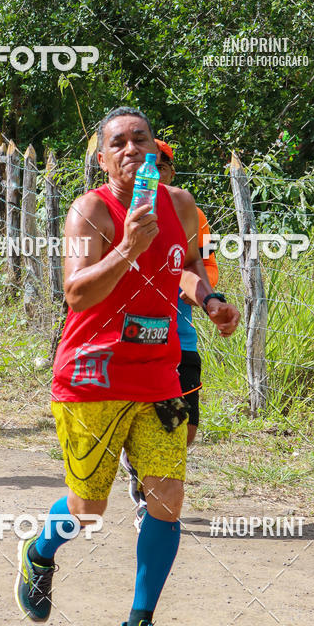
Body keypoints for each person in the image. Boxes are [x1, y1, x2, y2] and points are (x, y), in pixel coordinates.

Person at [14, 106, 240, 626]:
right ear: (102, 158)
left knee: (167, 498)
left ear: (155, 148)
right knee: (89, 508)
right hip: (93, 376)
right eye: (118, 142)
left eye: (141, 138)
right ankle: (40, 551)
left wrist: (209, 299)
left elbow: (186, 265)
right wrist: (127, 248)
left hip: (159, 373)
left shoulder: (180, 204)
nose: (132, 148)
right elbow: (77, 294)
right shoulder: (90, 210)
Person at [121, 138, 220, 527]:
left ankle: (143, 475)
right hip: (135, 339)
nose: (153, 174)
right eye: (146, 167)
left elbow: (206, 268)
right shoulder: (117, 210)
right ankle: (148, 498)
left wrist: (205, 297)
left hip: (181, 335)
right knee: (157, 425)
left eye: (160, 166)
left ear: (171, 172)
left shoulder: (194, 215)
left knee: (186, 429)